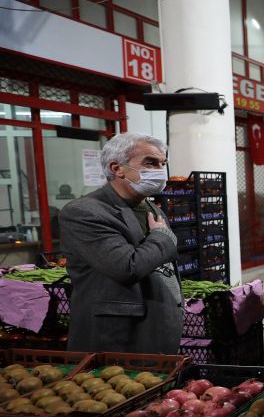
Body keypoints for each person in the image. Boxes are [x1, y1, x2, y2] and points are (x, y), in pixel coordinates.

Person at [58, 132, 182, 354]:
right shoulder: (84, 212)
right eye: (150, 163)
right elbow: (126, 267)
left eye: (163, 163)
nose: (161, 171)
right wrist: (162, 237)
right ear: (117, 168)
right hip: (117, 338)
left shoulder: (153, 209)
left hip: (159, 326)